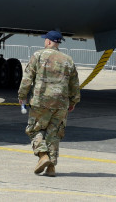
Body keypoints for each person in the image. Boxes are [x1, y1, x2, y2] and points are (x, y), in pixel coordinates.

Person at [18, 29, 80, 176]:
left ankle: (43, 156)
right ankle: (51, 167)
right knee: (54, 134)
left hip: (41, 101)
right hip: (61, 103)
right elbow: (74, 84)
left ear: (48, 41)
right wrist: (73, 101)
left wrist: (22, 95)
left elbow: (27, 78)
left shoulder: (38, 56)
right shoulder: (68, 60)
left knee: (34, 129)